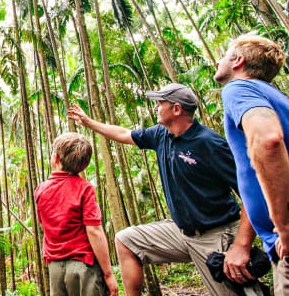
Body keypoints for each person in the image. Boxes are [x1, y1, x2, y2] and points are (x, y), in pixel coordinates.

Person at [68, 84, 257, 296]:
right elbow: (124, 133)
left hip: (216, 235)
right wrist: (88, 122)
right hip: (180, 232)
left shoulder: (209, 143)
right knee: (127, 240)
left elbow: (252, 195)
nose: (156, 107)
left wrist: (241, 246)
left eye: (160, 103)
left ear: (176, 109)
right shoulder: (161, 134)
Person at [214, 34, 289, 295]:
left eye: (224, 55)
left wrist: (283, 226)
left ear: (238, 61)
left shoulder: (238, 89)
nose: (217, 62)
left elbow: (268, 140)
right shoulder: (275, 97)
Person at [35, 132, 118, 296]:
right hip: (83, 267)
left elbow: (43, 223)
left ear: (56, 159)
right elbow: (94, 231)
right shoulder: (84, 188)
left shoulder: (41, 190)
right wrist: (108, 274)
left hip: (55, 268)